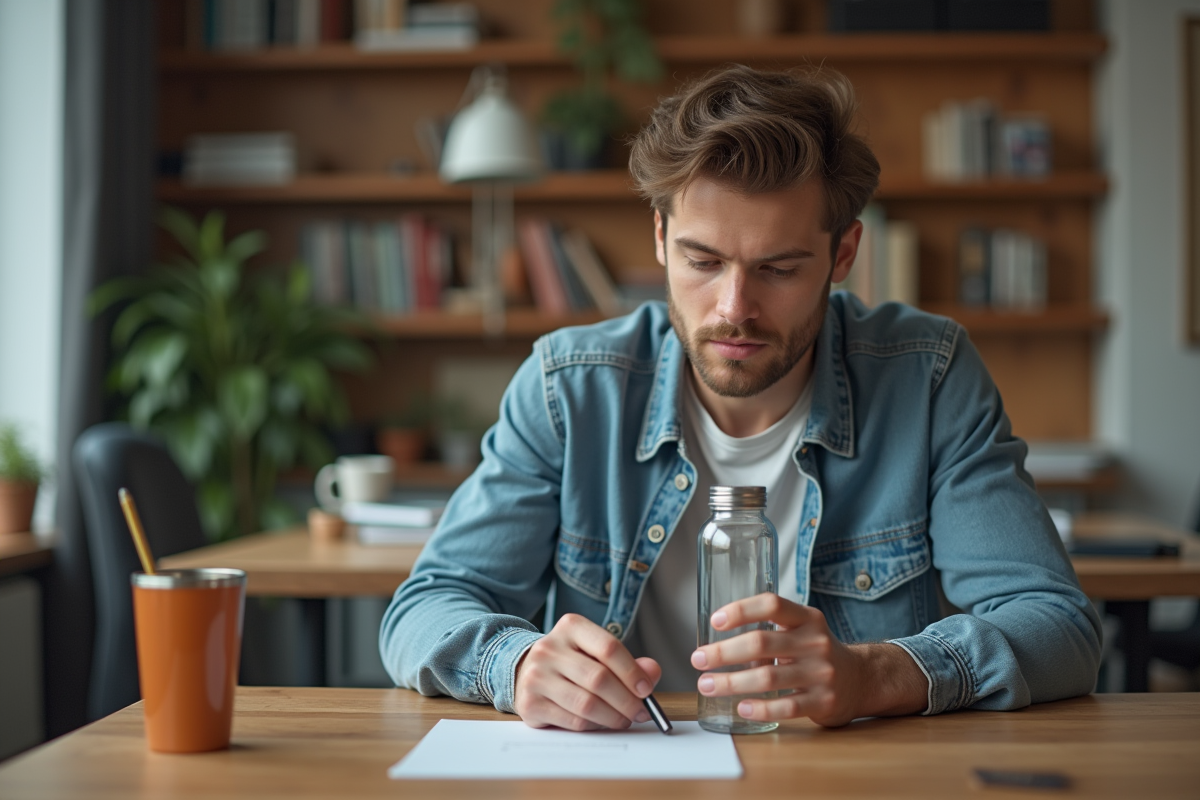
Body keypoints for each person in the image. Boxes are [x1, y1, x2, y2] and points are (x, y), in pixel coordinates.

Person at [379, 65, 1102, 731]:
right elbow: (425, 609)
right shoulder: (570, 388)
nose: (734, 308)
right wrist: (518, 666)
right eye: (703, 261)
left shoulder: (928, 377)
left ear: (843, 255)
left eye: (779, 268)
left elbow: (1058, 627)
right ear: (660, 238)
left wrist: (878, 675)